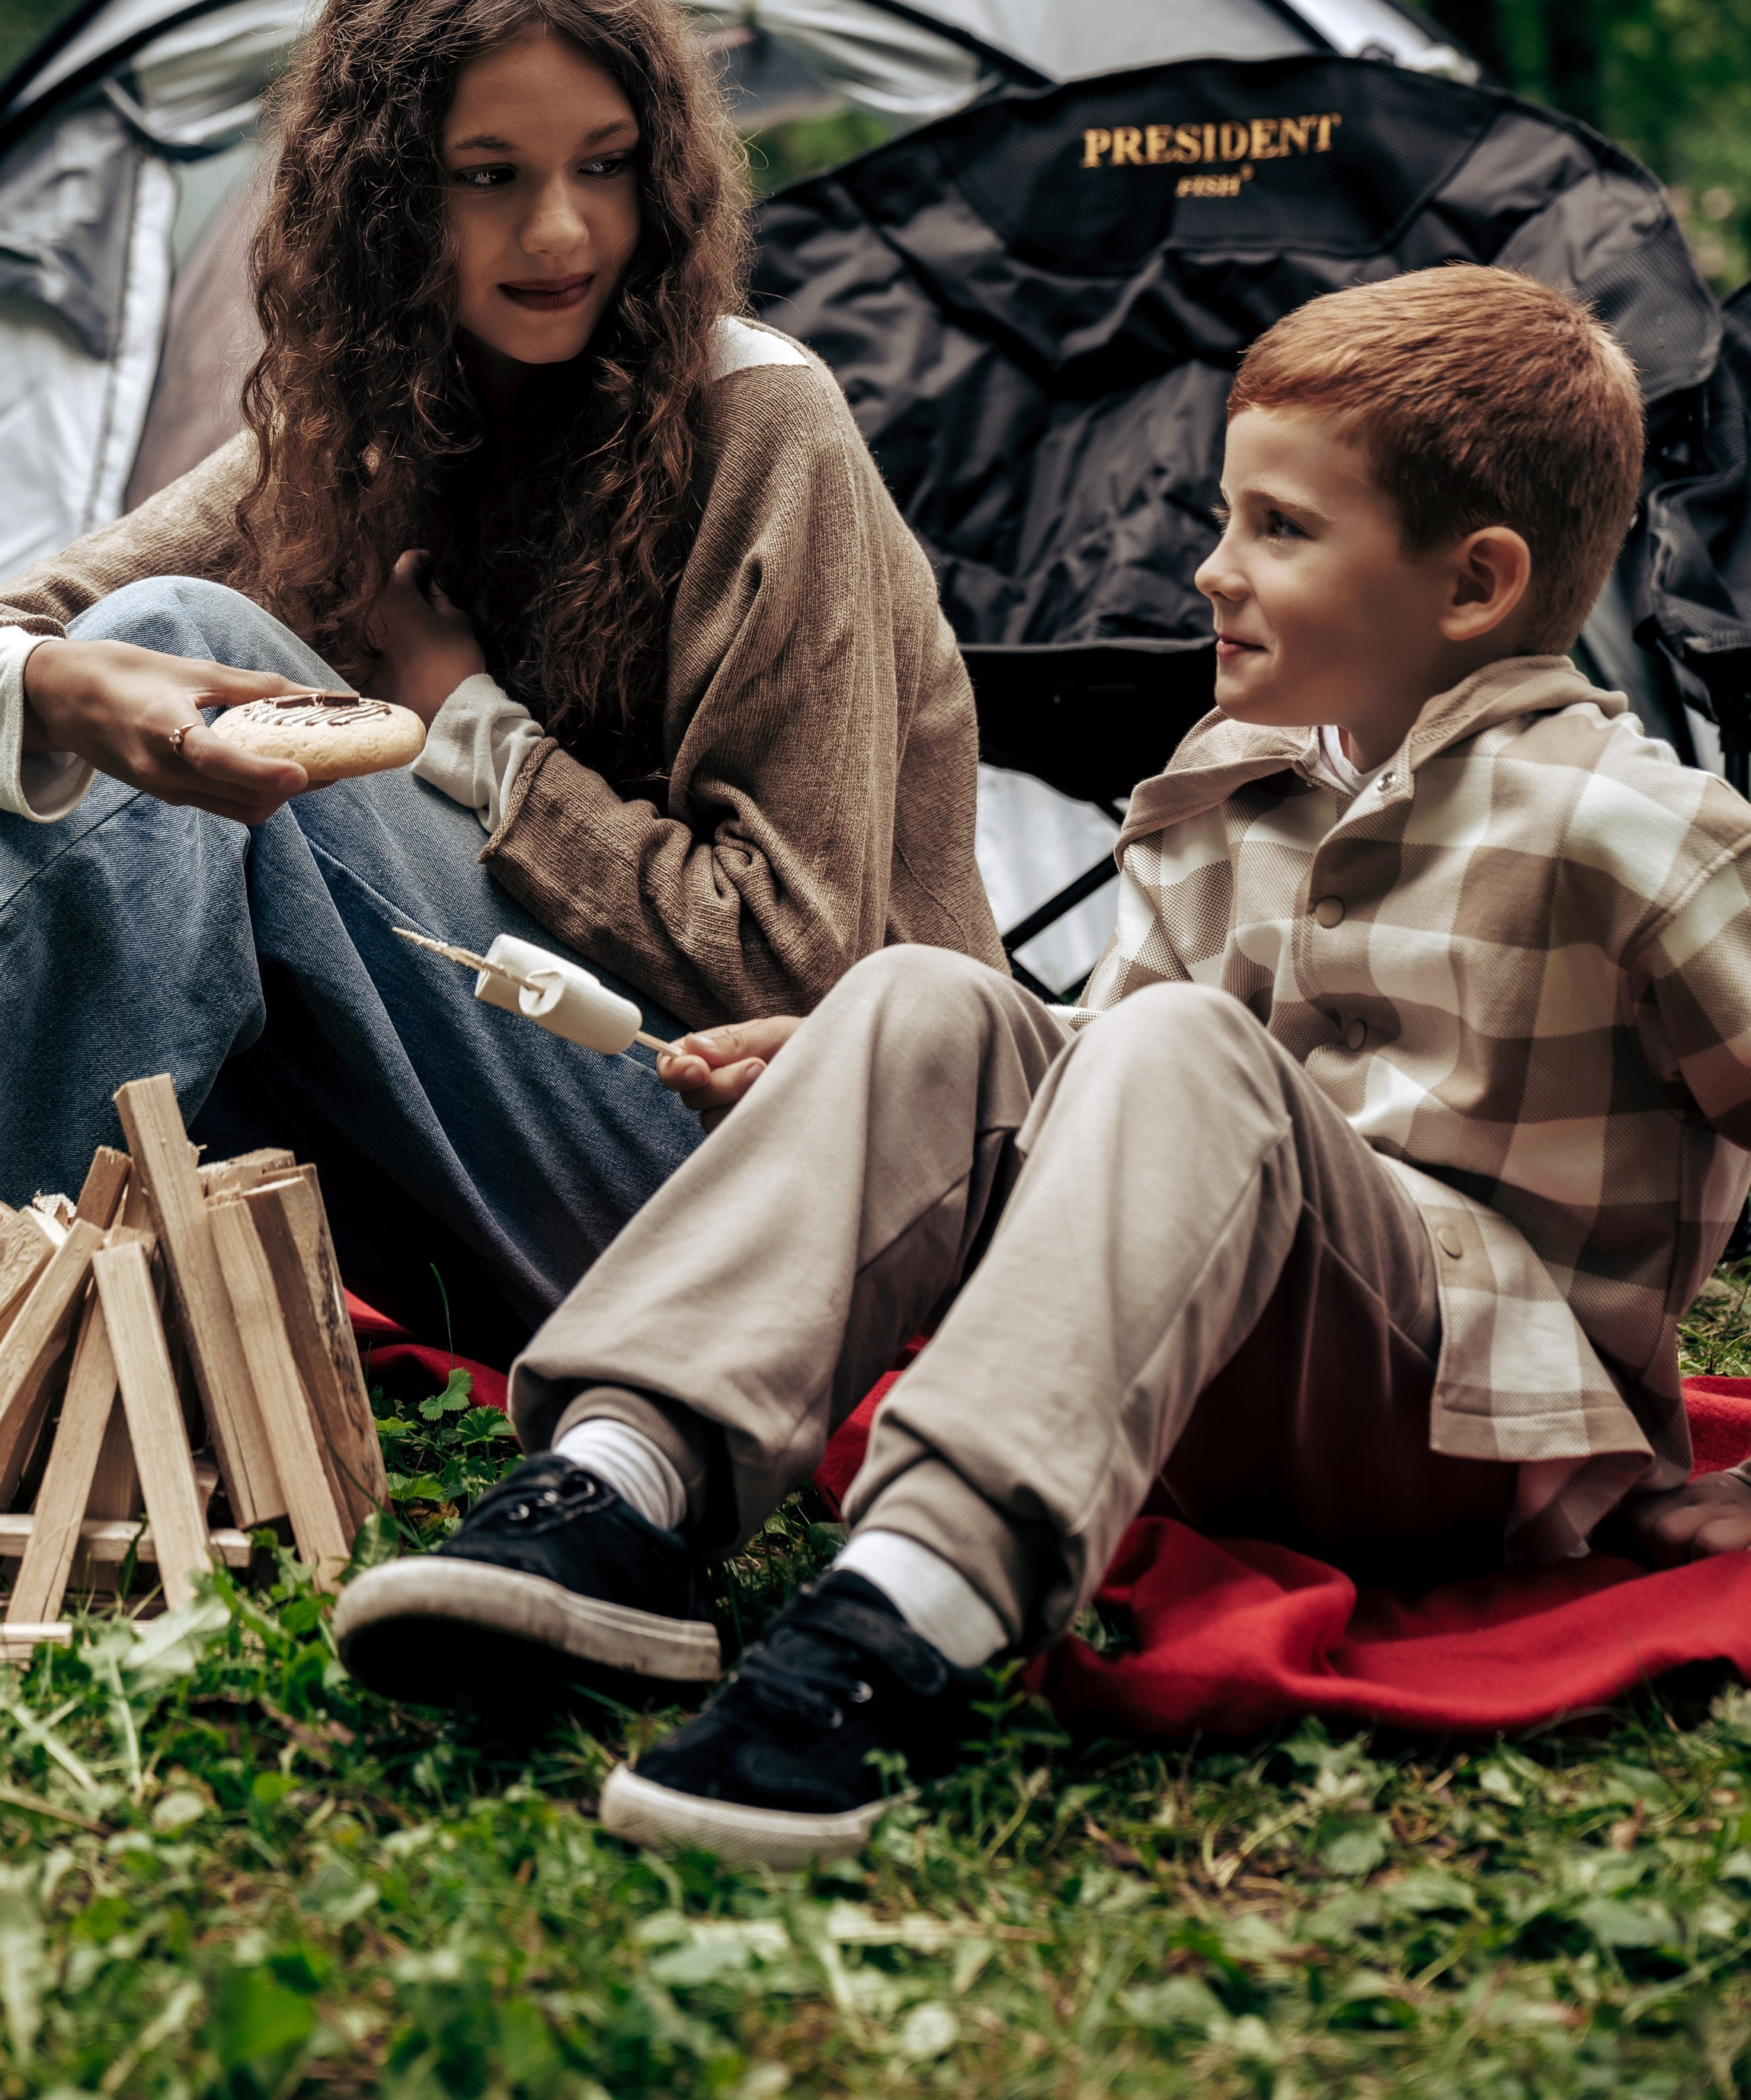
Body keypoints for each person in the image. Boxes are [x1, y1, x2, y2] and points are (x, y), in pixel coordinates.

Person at [333, 261, 1751, 1867]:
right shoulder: (1229, 780)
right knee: (926, 1000)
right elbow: (1132, 1089)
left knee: (1163, 1040)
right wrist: (874, 1064)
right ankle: (622, 1482)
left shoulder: (1627, 827)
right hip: (1203, 1373)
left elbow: (1187, 1075)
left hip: (1464, 1428)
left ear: (1473, 585)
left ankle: (907, 1615)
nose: (1209, 572)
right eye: (1225, 518)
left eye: (1279, 531)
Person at [0, 0, 1001, 1404]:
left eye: (605, 168)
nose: (558, 231)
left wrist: (461, 720)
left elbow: (797, 957)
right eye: (486, 177)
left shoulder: (760, 422)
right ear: (387, 201)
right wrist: (58, 683)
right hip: (464, 1154)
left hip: (746, 1182)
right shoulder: (362, 427)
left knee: (180, 638)